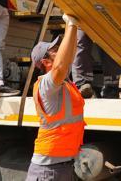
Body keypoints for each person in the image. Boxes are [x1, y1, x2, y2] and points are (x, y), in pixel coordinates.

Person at [26, 14, 85, 180]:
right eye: (55, 51)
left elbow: (69, 57)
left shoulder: (63, 84)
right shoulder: (45, 84)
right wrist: (72, 25)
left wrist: (72, 26)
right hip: (47, 170)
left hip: (61, 167)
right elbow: (60, 66)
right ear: (45, 62)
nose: (60, 52)